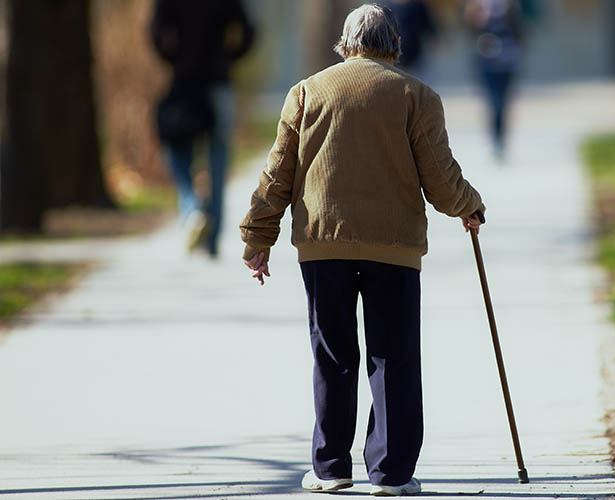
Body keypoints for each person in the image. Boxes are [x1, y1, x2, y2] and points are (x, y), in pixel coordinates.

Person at [239, 4, 485, 496]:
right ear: (394, 45)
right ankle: (391, 474)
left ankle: (331, 468)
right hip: (393, 245)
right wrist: (469, 205)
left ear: (345, 43)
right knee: (393, 354)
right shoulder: (416, 95)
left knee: (332, 353)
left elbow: (277, 175)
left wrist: (257, 236)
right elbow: (440, 176)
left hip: (322, 244)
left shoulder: (306, 93)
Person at [150, 0, 254, 257]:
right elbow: (249, 32)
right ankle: (212, 241)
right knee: (217, 162)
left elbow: (154, 31)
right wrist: (228, 59)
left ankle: (192, 208)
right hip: (218, 86)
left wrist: (173, 58)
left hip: (184, 84)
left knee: (176, 151)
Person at [464, 0, 523, 158]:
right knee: (493, 101)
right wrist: (476, 17)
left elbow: (520, 30)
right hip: (487, 62)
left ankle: (502, 138)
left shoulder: (510, 6)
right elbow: (470, 31)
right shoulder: (477, 6)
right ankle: (495, 139)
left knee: (503, 102)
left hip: (508, 61)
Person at [383, 0, 436, 74]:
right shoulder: (384, 6)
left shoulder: (417, 5)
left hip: (415, 58)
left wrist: (435, 40)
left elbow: (427, 27)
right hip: (391, 59)